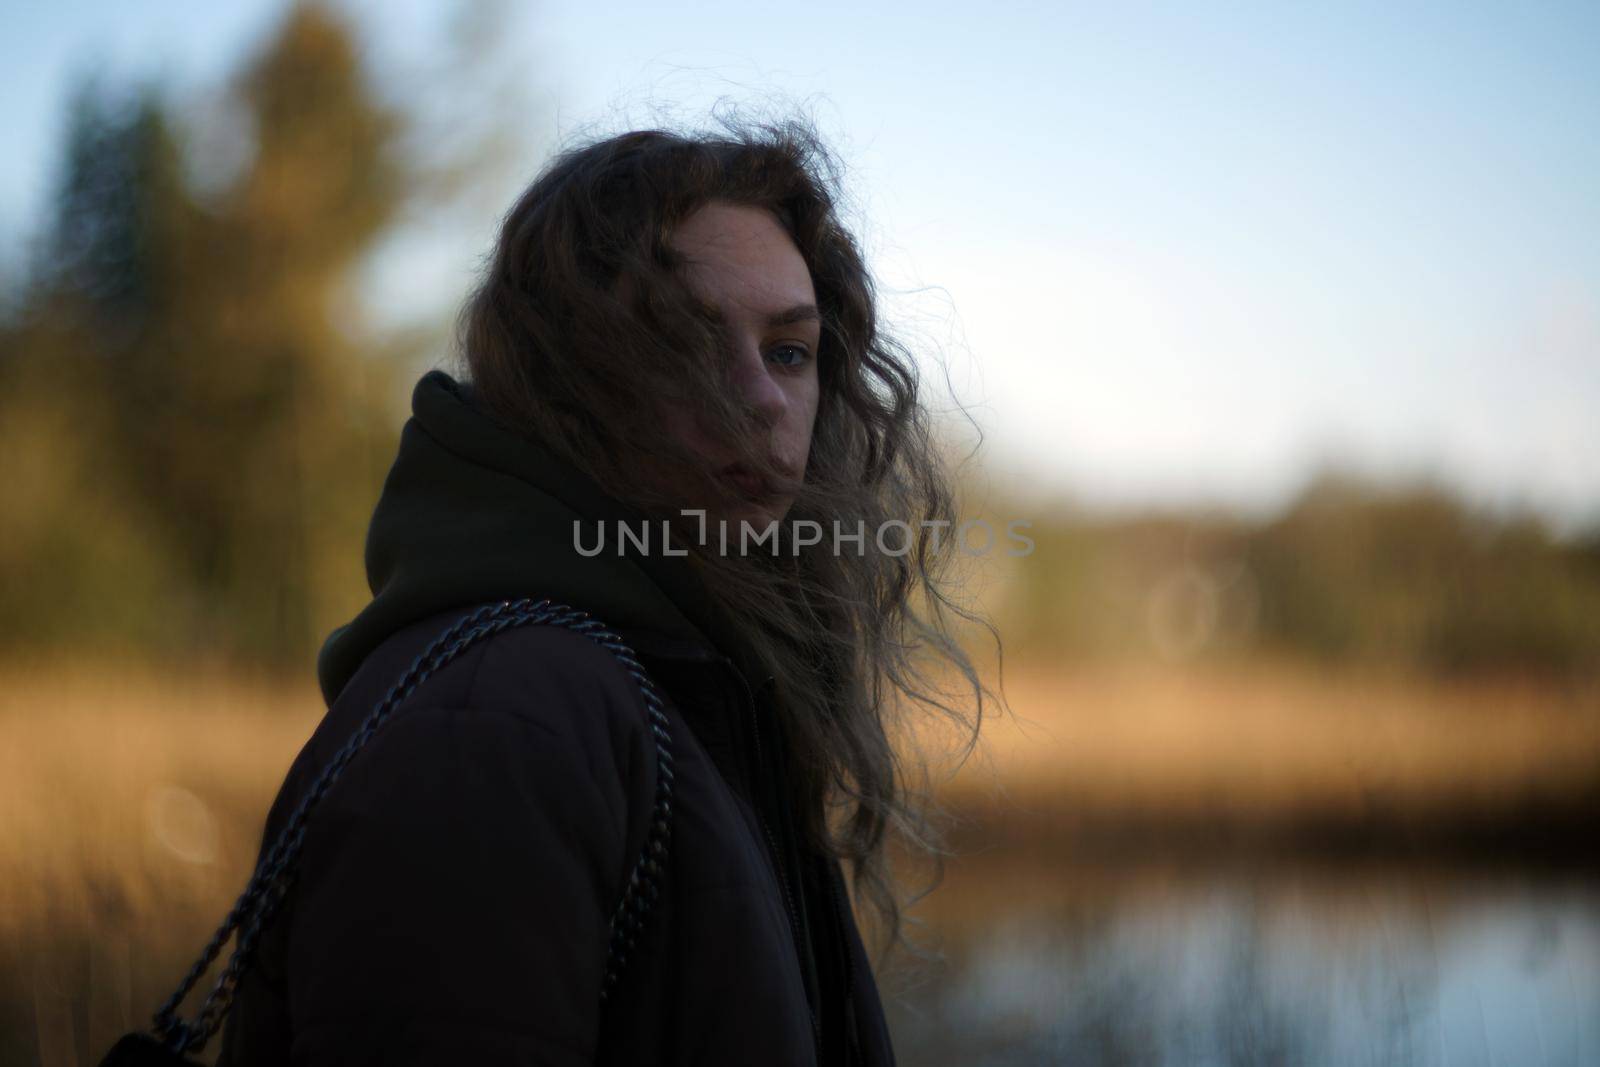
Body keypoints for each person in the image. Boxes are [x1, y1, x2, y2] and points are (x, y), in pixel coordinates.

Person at [214, 119, 991, 1066]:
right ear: (565, 378)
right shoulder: (498, 720)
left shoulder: (681, 682)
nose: (761, 399)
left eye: (789, 350)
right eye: (687, 343)